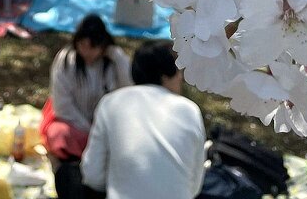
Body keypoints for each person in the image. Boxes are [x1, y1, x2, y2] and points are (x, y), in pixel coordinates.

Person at [81, 41, 206, 199]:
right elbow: (194, 186)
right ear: (164, 74)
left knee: (67, 175)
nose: (181, 77)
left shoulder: (111, 102)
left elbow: (92, 174)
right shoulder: (190, 110)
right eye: (177, 70)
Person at [41, 15, 131, 161]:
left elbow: (129, 89)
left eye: (93, 47)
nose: (87, 52)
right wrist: (88, 128)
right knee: (58, 134)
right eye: (83, 46)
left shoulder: (112, 62)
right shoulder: (66, 60)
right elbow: (62, 105)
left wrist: (118, 57)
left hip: (106, 125)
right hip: (74, 124)